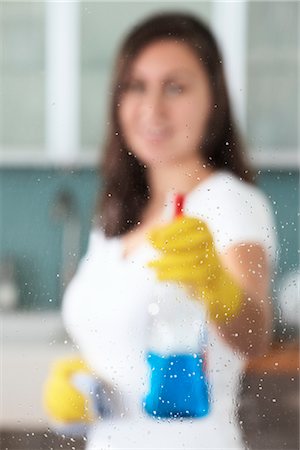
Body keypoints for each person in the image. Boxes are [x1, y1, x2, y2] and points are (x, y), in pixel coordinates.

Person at [43, 12, 277, 449]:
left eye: (176, 87)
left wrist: (216, 284)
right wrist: (83, 389)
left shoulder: (230, 202)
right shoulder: (115, 215)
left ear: (215, 101)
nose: (152, 109)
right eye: (136, 86)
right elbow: (126, 361)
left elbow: (255, 334)